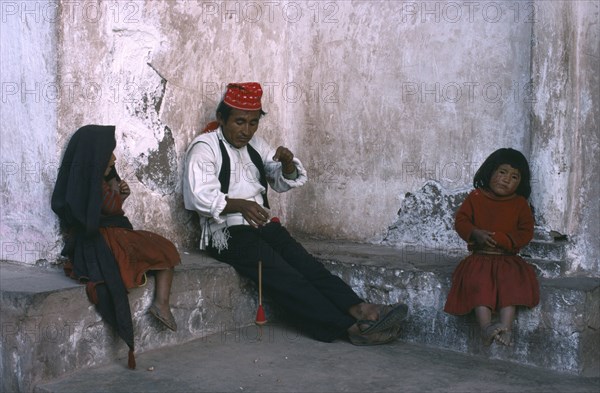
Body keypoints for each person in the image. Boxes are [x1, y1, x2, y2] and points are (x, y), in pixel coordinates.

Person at [183, 82, 408, 345]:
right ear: (222, 118)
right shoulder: (205, 147)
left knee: (306, 264)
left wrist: (287, 164)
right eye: (240, 122)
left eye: (253, 123)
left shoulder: (255, 144)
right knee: (282, 274)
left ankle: (360, 308)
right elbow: (199, 196)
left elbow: (279, 180)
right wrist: (240, 205)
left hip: (260, 226)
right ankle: (349, 328)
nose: (246, 130)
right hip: (225, 233)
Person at [51, 125, 180, 369]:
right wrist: (117, 195)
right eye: (109, 153)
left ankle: (158, 299)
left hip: (106, 234)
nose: (114, 158)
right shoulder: (97, 184)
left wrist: (116, 189)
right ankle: (161, 304)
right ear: (96, 157)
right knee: (165, 249)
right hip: (108, 238)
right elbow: (111, 209)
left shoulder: (89, 180)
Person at [444, 148, 540, 346]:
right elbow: (461, 221)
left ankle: (506, 328)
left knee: (511, 284)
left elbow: (526, 232)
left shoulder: (520, 204)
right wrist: (475, 233)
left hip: (508, 260)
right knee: (479, 283)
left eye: (514, 176)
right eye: (502, 172)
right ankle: (486, 326)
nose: (506, 179)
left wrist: (506, 239)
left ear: (520, 183)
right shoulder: (476, 197)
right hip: (480, 258)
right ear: (490, 171)